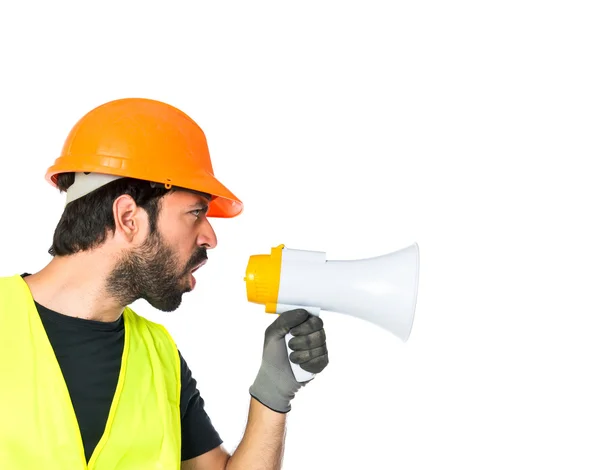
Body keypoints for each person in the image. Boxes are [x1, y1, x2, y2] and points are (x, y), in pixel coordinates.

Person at [0, 98, 329, 469]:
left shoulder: (160, 357)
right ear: (128, 217)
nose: (210, 237)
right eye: (196, 212)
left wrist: (273, 393)